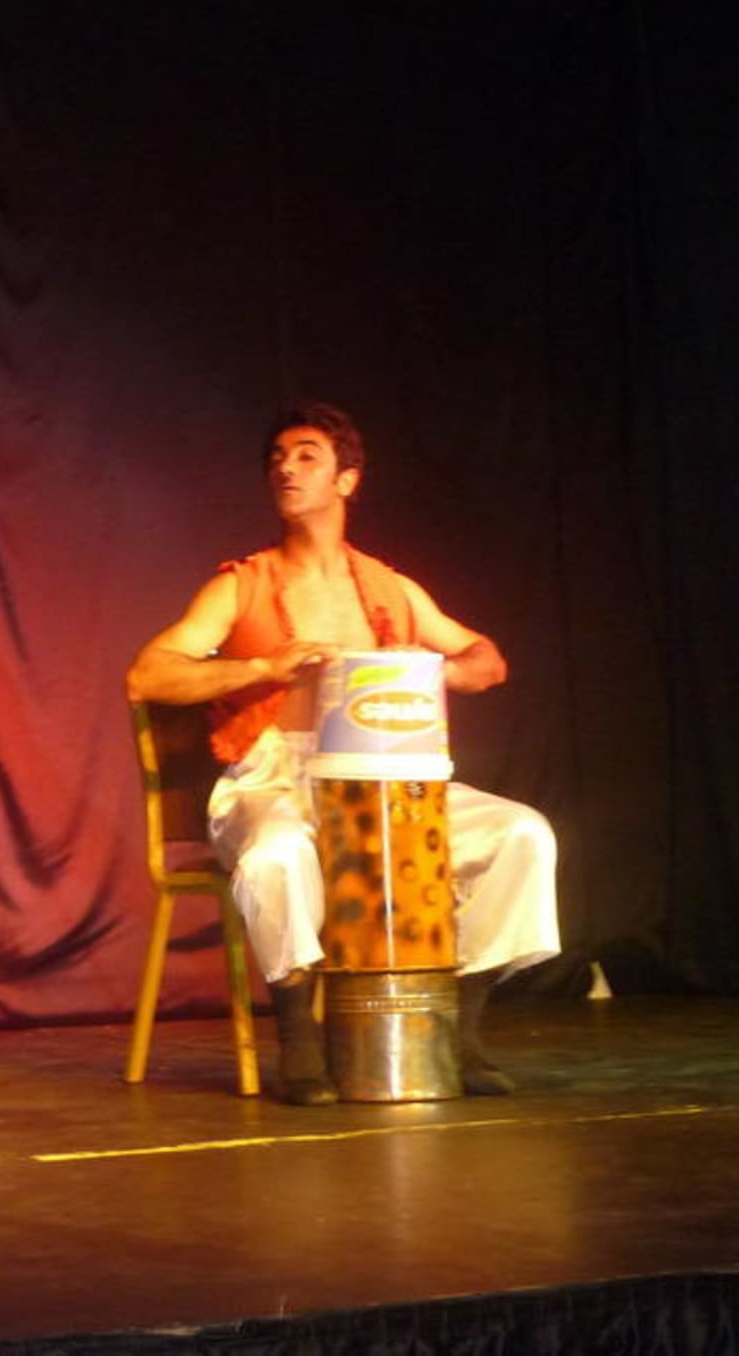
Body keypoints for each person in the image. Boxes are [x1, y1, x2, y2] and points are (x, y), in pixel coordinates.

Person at [125, 403, 558, 1105]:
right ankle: (300, 1037)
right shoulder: (242, 584)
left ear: (347, 480)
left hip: (386, 781)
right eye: (277, 458)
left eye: (306, 456)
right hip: (275, 778)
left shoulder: (390, 588)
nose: (285, 469)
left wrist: (430, 668)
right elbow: (149, 674)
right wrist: (261, 668)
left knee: (521, 836)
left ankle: (460, 1027)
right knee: (277, 855)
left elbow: (487, 660)